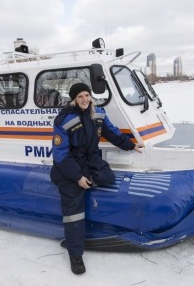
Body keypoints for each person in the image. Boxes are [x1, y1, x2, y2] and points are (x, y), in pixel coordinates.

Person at [50, 82, 143, 274]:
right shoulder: (63, 120)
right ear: (74, 99)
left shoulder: (98, 113)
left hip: (90, 160)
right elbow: (60, 155)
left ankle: (87, 180)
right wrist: (77, 177)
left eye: (87, 95)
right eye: (80, 97)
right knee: (73, 209)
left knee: (108, 176)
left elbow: (112, 133)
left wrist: (130, 145)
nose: (84, 99)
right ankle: (75, 254)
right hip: (69, 165)